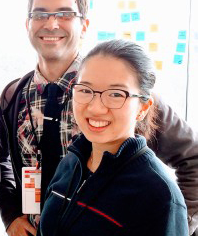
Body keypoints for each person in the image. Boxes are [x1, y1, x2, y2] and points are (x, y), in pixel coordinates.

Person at [0, 0, 198, 236]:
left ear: (84, 24)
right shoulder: (12, 96)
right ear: (27, 24)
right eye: (40, 14)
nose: (51, 24)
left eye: (64, 14)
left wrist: (175, 224)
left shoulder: (121, 89)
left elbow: (193, 157)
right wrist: (10, 215)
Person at [38, 39, 188, 235]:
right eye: (85, 90)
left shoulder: (159, 194)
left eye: (116, 94)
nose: (95, 107)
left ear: (143, 107)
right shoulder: (71, 162)